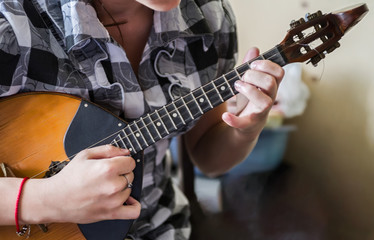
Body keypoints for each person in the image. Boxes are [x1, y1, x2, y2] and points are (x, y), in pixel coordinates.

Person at [0, 0, 284, 239]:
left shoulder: (210, 18)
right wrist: (45, 200)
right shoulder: (10, 23)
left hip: (158, 227)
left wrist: (246, 129)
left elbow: (209, 159)